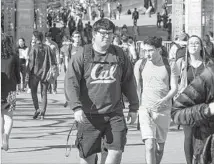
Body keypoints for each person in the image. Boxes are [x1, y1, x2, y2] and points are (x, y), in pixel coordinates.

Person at [65, 18, 139, 164]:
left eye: (110, 33)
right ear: (94, 35)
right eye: (103, 33)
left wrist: (134, 107)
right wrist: (76, 107)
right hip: (88, 115)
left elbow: (129, 81)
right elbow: (71, 82)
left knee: (116, 152)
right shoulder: (82, 55)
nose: (107, 36)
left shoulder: (119, 55)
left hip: (114, 113)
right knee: (87, 157)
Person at [134, 36, 178, 164]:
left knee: (159, 148)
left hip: (163, 109)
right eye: (144, 51)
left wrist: (165, 99)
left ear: (158, 49)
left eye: (150, 50)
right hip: (145, 109)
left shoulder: (170, 64)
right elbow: (136, 87)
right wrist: (135, 106)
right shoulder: (139, 64)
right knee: (149, 145)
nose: (146, 54)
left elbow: (174, 87)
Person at [175, 35, 213, 164]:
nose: (194, 45)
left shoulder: (208, 64)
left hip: (204, 105)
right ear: (187, 46)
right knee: (188, 136)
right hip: (188, 104)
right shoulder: (181, 63)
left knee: (204, 137)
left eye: (197, 43)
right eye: (191, 43)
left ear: (201, 47)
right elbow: (174, 83)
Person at [26, 31, 56, 120]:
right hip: (45, 73)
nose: (32, 38)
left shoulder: (34, 48)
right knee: (44, 93)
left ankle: (37, 109)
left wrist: (27, 73)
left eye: (33, 37)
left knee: (33, 92)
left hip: (35, 73)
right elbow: (53, 60)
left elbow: (31, 63)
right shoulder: (47, 48)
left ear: (35, 38)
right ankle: (42, 113)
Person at [1, 34, 21, 151]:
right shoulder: (14, 56)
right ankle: (6, 136)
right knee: (9, 116)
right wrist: (18, 82)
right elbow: (17, 72)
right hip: (11, 89)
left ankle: (0, 140)